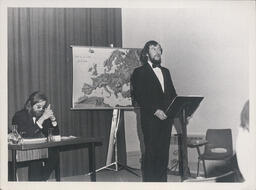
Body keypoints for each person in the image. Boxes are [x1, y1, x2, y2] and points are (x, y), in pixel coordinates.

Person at [131, 40, 177, 182]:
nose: (157, 52)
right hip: (151, 119)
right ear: (146, 53)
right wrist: (155, 110)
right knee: (151, 154)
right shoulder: (139, 72)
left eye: (159, 49)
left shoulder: (166, 72)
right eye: (153, 49)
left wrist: (180, 110)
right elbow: (139, 96)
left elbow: (172, 95)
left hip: (166, 119)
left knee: (163, 154)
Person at [10, 91, 60, 181]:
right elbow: (26, 135)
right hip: (22, 149)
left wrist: (53, 120)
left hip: (38, 148)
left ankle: (41, 180)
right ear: (30, 104)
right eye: (38, 107)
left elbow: (55, 134)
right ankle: (37, 182)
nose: (41, 109)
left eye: (43, 107)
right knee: (36, 157)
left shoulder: (40, 115)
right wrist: (42, 118)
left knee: (54, 152)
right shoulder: (19, 115)